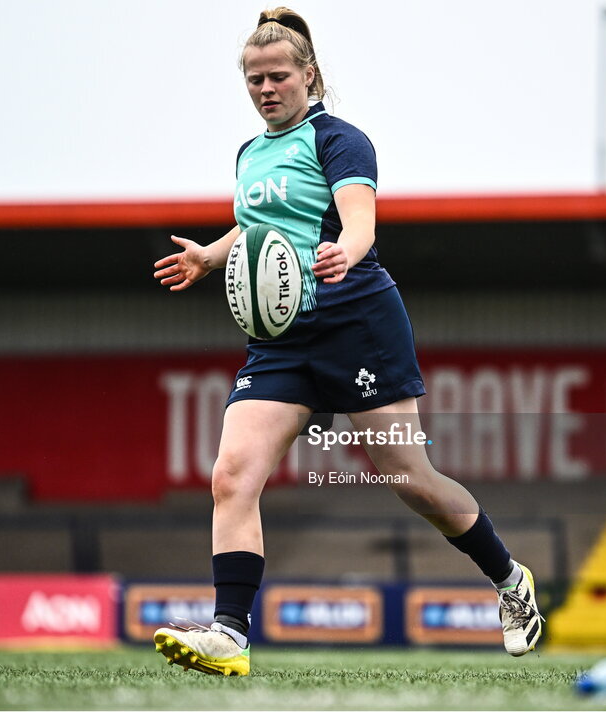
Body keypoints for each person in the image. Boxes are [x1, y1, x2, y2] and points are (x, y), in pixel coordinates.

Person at [151, 7, 543, 677]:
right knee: (231, 475)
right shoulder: (249, 153)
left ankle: (511, 583)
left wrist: (343, 252)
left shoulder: (341, 140)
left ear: (310, 76)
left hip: (357, 324)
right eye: (253, 80)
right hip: (279, 340)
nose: (265, 88)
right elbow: (258, 224)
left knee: (412, 481)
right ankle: (230, 633)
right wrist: (210, 258)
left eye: (277, 76)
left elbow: (359, 220)